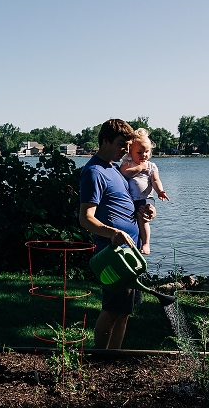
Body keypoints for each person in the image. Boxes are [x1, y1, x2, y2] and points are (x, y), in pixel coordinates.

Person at [79, 119, 156, 349]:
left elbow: (126, 203)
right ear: (105, 141)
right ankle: (101, 359)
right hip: (112, 254)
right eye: (122, 144)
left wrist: (146, 211)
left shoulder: (114, 168)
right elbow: (86, 218)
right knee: (112, 310)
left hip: (130, 251)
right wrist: (113, 232)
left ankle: (114, 357)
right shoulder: (94, 172)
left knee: (124, 312)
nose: (126, 149)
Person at [118, 128, 169, 254]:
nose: (143, 155)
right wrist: (140, 167)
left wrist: (160, 191)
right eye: (139, 152)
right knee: (134, 220)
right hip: (132, 199)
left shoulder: (151, 166)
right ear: (130, 152)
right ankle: (136, 244)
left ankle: (146, 244)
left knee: (143, 218)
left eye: (146, 151)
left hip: (146, 198)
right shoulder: (128, 163)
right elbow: (124, 173)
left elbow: (156, 180)